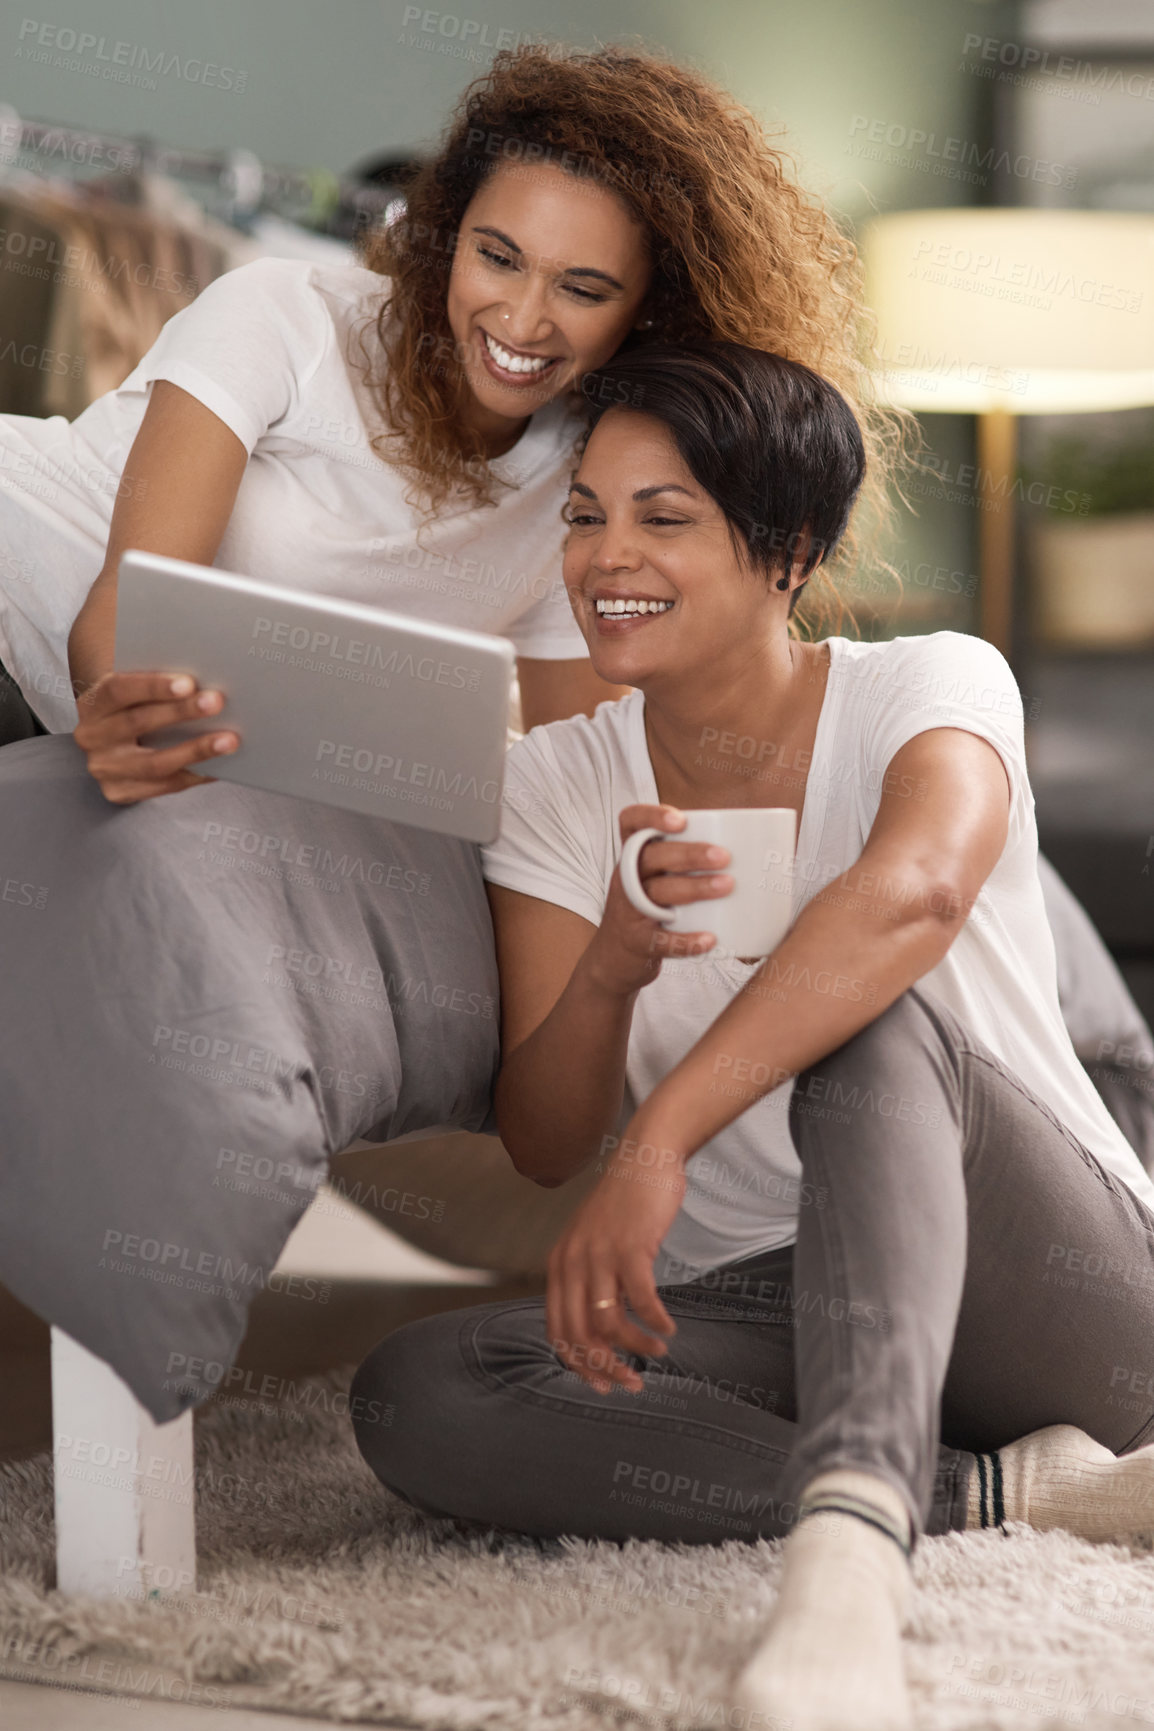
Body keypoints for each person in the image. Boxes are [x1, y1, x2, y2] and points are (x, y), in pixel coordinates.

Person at [350, 341, 1154, 1731]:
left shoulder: (931, 684)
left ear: (784, 552)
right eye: (586, 513)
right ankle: (1001, 1491)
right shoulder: (553, 783)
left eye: (663, 519)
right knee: (423, 1392)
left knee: (861, 1024)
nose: (607, 556)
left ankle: (845, 1564)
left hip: (1048, 1284)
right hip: (767, 1302)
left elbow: (912, 893)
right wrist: (609, 964)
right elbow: (544, 1144)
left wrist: (659, 1141)